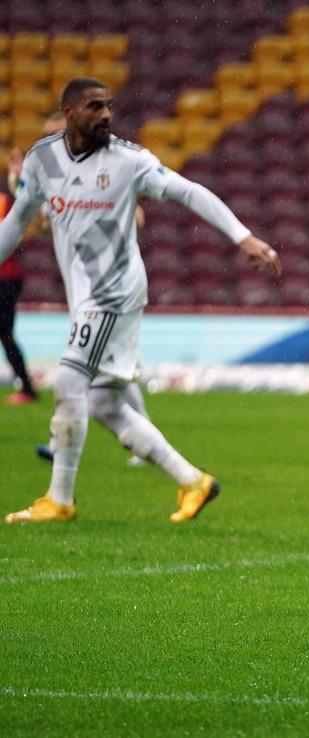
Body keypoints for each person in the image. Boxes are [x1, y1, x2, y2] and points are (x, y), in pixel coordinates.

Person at [0, 77, 282, 524]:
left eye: (109, 106)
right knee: (108, 404)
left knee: (70, 381)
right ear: (70, 111)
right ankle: (193, 481)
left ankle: (59, 499)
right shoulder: (42, 160)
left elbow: (188, 191)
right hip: (86, 294)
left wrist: (242, 236)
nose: (107, 115)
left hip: (114, 289)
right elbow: (16, 223)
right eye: (95, 107)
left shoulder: (129, 161)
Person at [11, 112, 154, 466]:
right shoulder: (57, 180)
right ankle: (143, 440)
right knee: (112, 369)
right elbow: (44, 226)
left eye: (53, 135)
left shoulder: (104, 174)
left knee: (82, 367)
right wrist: (20, 185)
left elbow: (136, 218)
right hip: (84, 287)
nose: (46, 145)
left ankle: (62, 447)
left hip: (110, 287)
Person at [0, 188, 37, 404]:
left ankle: (27, 386)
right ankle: (26, 385)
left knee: (5, 334)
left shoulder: (4, 201)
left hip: (5, 278)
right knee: (5, 334)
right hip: (8, 277)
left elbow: (22, 230)